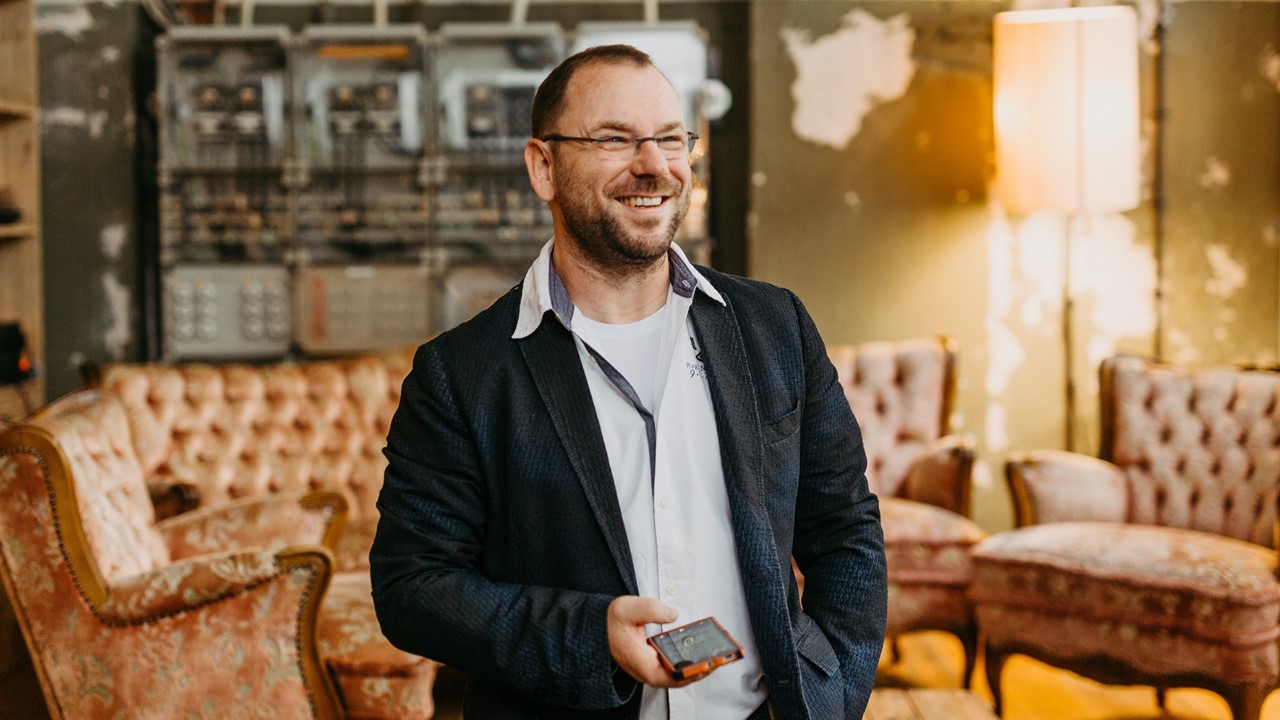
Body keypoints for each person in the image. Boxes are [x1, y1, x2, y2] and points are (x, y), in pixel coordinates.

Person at [370, 43, 887, 720]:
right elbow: (414, 589)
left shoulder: (776, 326)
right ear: (543, 166)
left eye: (671, 138)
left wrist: (833, 692)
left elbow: (846, 528)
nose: (653, 165)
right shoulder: (460, 376)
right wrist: (589, 635)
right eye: (614, 139)